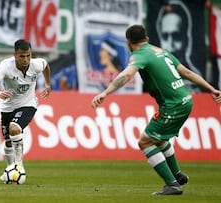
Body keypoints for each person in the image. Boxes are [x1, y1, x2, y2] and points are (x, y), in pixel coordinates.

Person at [91, 24, 221, 195]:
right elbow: (187, 73)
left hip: (173, 105)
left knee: (144, 142)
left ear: (128, 42)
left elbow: (127, 74)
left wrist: (105, 92)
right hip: (185, 99)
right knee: (158, 139)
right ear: (147, 39)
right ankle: (177, 175)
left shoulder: (140, 55)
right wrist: (211, 88)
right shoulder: (161, 51)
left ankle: (172, 185)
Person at [0, 39, 51, 182]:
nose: (26, 59)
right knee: (8, 142)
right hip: (8, 107)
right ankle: (10, 169)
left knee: (14, 129)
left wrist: (47, 84)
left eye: (28, 55)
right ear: (15, 55)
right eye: (22, 56)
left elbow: (45, 65)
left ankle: (19, 167)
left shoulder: (36, 64)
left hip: (28, 104)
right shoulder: (6, 66)